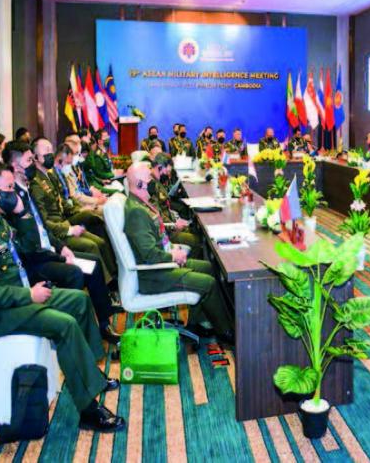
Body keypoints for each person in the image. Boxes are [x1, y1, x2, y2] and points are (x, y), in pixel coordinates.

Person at [0, 162, 124, 432]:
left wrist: (23, 213)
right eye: (9, 188)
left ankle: (90, 373)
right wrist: (29, 294)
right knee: (65, 324)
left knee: (80, 301)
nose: (14, 193)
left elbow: (27, 245)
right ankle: (88, 410)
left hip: (19, 298)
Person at [3, 141, 119, 343]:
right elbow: (28, 246)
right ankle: (73, 333)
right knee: (74, 272)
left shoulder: (27, 190)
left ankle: (104, 324)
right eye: (29, 160)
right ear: (15, 166)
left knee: (93, 263)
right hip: (36, 261)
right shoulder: (13, 199)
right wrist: (58, 256)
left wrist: (62, 247)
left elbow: (43, 229)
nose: (33, 164)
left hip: (48, 251)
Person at [123, 163, 234, 344]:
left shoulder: (142, 203)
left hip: (161, 264)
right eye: (149, 179)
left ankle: (197, 322)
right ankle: (227, 332)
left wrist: (172, 249)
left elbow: (156, 240)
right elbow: (149, 255)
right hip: (154, 275)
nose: (153, 181)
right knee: (208, 283)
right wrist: (173, 256)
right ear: (140, 184)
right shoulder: (136, 212)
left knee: (208, 267)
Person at [29, 139, 117, 280]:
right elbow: (43, 222)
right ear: (35, 157)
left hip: (64, 222)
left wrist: (80, 210)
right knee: (92, 246)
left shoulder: (49, 176)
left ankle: (114, 275)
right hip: (57, 232)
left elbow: (63, 203)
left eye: (51, 149)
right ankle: (106, 285)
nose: (51, 154)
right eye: (46, 151)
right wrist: (68, 229)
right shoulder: (35, 183)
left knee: (99, 240)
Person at [148, 153, 201, 256]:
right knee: (197, 241)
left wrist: (175, 220)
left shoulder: (157, 181)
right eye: (167, 171)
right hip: (166, 232)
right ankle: (185, 261)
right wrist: (173, 225)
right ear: (159, 167)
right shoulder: (151, 185)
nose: (168, 175)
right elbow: (157, 214)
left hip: (170, 224)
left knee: (196, 231)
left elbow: (165, 208)